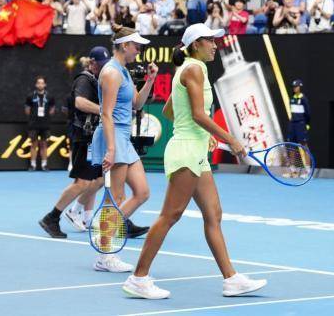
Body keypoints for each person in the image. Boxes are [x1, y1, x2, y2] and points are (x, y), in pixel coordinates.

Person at [123, 23, 267, 299]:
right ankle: (138, 278)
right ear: (196, 44)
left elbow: (170, 110)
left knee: (213, 214)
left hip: (196, 150)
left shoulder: (188, 68)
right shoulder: (194, 69)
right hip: (186, 151)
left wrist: (204, 134)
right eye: (210, 41)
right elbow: (199, 114)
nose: (215, 45)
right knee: (170, 215)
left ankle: (232, 279)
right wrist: (231, 140)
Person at [90, 27, 157, 272]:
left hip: (124, 138)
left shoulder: (124, 71)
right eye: (136, 46)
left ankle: (105, 236)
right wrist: (110, 149)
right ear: (124, 45)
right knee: (116, 198)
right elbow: (106, 114)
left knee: (142, 192)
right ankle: (105, 254)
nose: (139, 50)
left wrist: (150, 80)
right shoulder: (111, 73)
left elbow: (137, 104)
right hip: (113, 137)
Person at [39, 47, 110, 239]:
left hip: (95, 137)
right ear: (92, 63)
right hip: (84, 138)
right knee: (82, 183)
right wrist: (104, 110)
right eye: (101, 64)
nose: (104, 68)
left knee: (98, 180)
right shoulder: (84, 79)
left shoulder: (98, 79)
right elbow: (80, 103)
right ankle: (52, 217)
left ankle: (86, 217)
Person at [24, 76, 56, 171]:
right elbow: (27, 110)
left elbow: (52, 109)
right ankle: (33, 165)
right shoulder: (30, 96)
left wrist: (46, 116)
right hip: (33, 124)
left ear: (45, 84)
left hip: (45, 124)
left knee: (44, 145)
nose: (40, 85)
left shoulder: (50, 97)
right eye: (38, 83)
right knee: (33, 144)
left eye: (42, 83)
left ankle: (44, 164)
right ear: (36, 84)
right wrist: (34, 117)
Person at [288, 79, 310, 147]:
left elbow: (308, 113)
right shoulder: (292, 99)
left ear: (300, 87)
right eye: (293, 87)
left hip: (301, 124)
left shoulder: (304, 99)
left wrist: (307, 123)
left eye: (296, 86)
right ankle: (292, 155)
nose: (294, 88)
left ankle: (307, 154)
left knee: (303, 143)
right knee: (291, 144)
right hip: (293, 124)